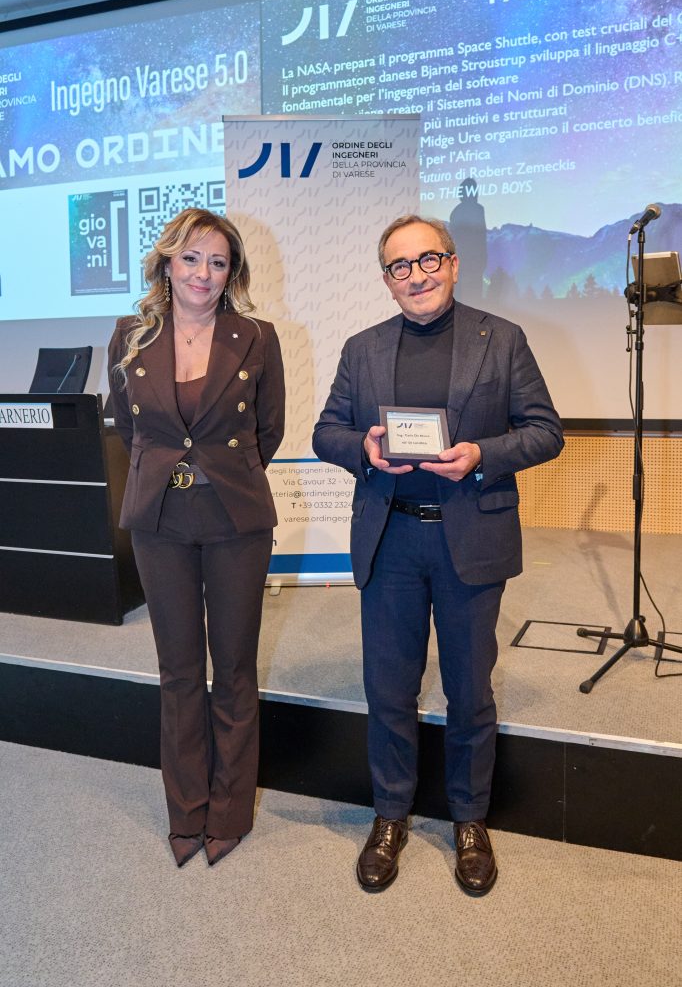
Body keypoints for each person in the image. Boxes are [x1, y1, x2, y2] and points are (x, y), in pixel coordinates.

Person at [313, 215, 562, 895]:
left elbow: (545, 432)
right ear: (386, 279)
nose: (417, 275)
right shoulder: (362, 348)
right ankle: (390, 814)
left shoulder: (501, 339)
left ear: (452, 264)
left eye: (429, 260)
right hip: (390, 538)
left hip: (469, 540)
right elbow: (326, 431)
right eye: (401, 265)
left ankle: (469, 819)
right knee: (388, 688)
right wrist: (362, 450)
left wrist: (482, 455)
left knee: (469, 690)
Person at [108, 208, 285, 868]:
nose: (203, 273)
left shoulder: (257, 337)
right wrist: (172, 475)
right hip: (160, 519)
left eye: (217, 261)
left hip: (235, 517)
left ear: (231, 271)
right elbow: (128, 428)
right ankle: (186, 810)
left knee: (234, 668)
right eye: (190, 258)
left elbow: (269, 430)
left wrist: (220, 476)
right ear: (167, 263)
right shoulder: (130, 335)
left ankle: (229, 811)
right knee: (178, 669)